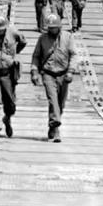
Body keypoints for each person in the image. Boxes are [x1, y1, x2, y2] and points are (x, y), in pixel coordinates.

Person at [30, 14, 76, 143]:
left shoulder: (68, 37)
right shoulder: (42, 38)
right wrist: (34, 71)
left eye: (54, 27)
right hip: (48, 73)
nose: (52, 30)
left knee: (60, 104)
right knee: (52, 100)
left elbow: (73, 55)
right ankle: (56, 130)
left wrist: (71, 71)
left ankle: (52, 125)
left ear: (59, 27)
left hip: (64, 74)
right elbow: (36, 56)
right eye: (50, 27)